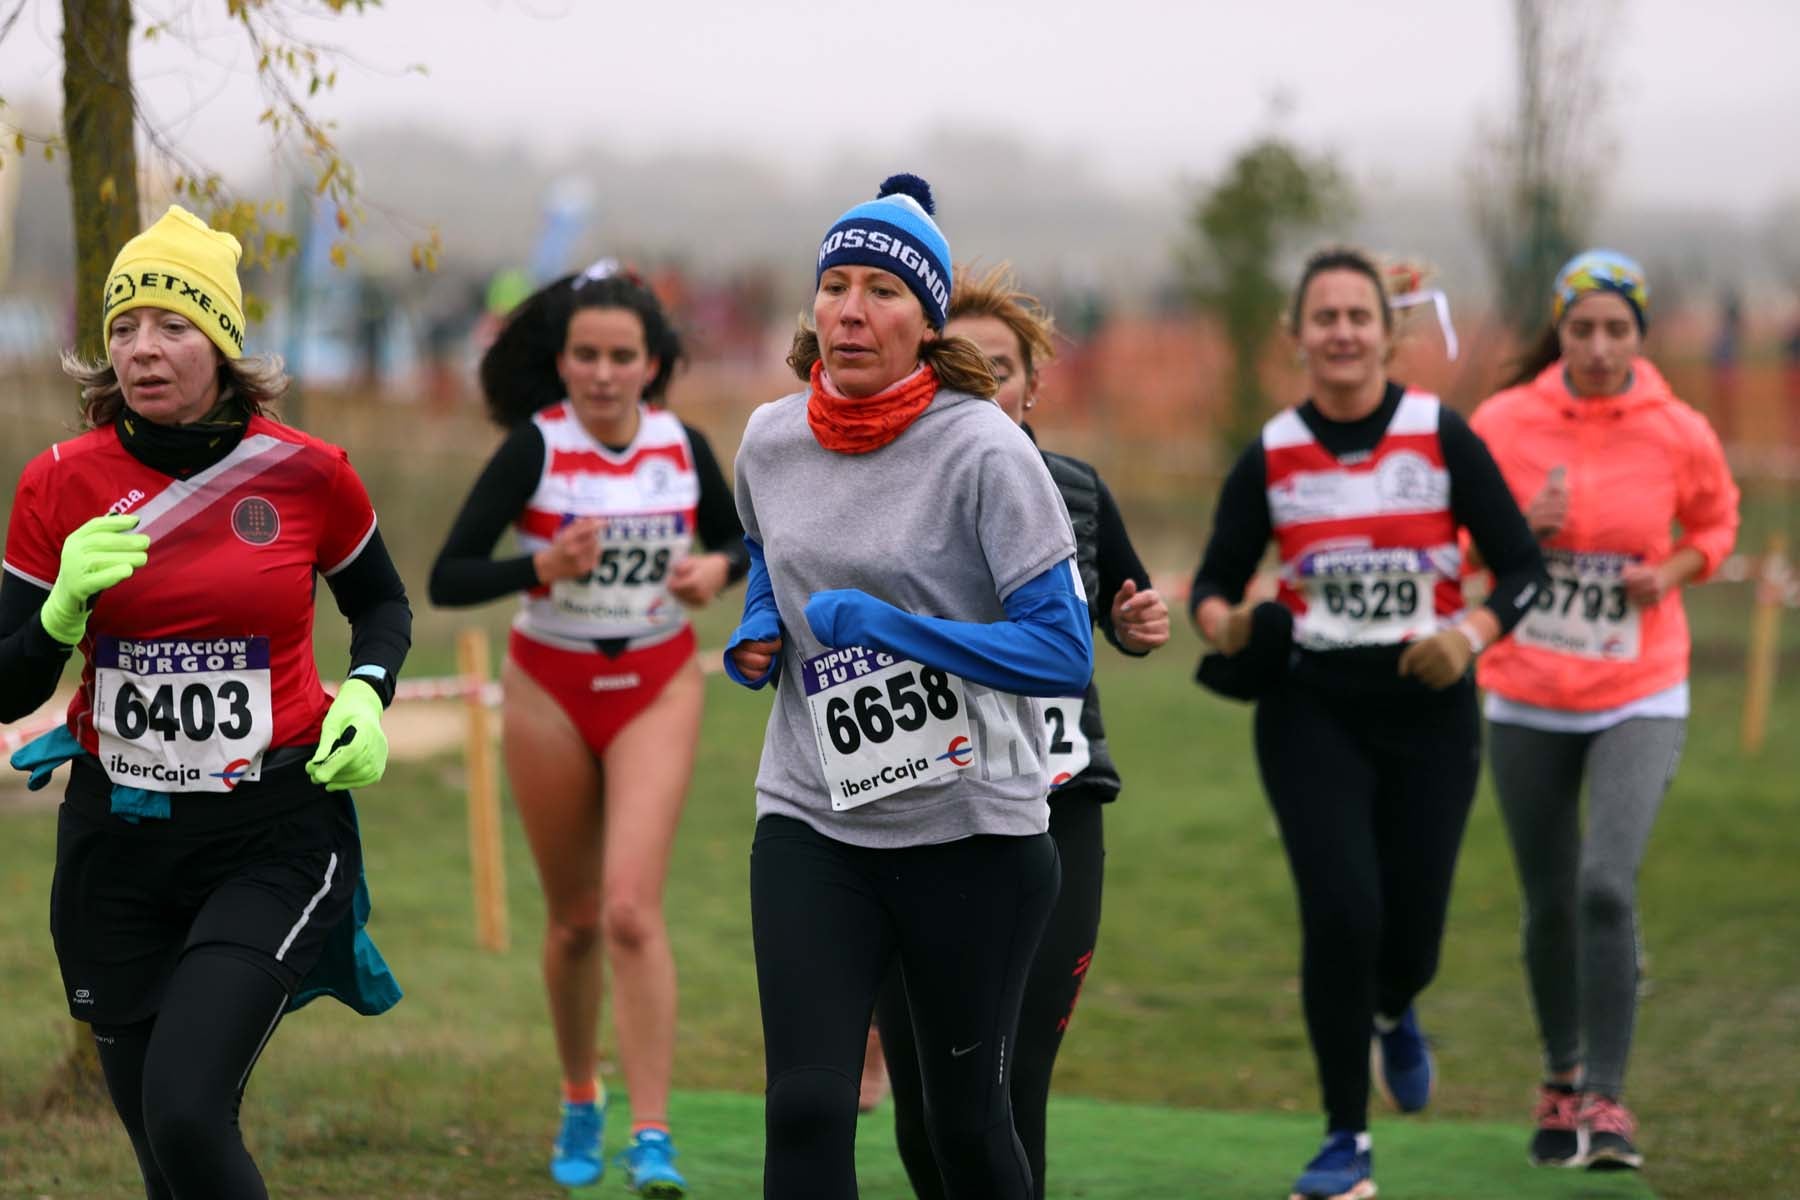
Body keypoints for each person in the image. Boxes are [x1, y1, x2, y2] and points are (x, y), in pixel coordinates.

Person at [0, 205, 409, 1200]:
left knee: (189, 1108)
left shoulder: (309, 474)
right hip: (116, 842)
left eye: (173, 326)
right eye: (125, 326)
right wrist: (59, 614)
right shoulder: (59, 484)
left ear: (222, 344)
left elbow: (383, 605)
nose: (143, 348)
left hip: (270, 832)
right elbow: (6, 682)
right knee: (162, 1150)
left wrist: (367, 690)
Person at [725, 174, 1092, 1200]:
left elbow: (1063, 652)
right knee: (805, 1109)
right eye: (834, 284)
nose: (851, 307)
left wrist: (894, 628)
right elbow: (766, 547)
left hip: (972, 832)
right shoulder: (768, 439)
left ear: (928, 322)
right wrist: (762, 624)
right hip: (812, 818)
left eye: (881, 289)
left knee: (966, 1133)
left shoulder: (986, 450)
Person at [1189, 247, 1547, 1200]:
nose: (1342, 332)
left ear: (1391, 332)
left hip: (1430, 711)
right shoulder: (1272, 450)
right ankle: (1345, 1139)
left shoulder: (1442, 435)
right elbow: (1216, 583)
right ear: (1295, 334)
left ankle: (1396, 1005)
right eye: (1325, 316)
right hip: (1312, 711)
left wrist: (1467, 637)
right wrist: (1225, 625)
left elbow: (1521, 567)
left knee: (1412, 931)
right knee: (1341, 913)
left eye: (1360, 315)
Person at [428, 261, 747, 1196]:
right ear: (560, 362)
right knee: (572, 924)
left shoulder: (682, 445)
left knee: (628, 911)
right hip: (549, 691)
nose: (604, 374)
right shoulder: (536, 447)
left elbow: (739, 542)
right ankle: (580, 1094)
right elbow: (449, 576)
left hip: (654, 681)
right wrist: (542, 567)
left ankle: (653, 1133)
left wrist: (715, 573)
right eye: (586, 356)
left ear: (653, 364)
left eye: (622, 357)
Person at [871, 263, 1169, 1200]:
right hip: (914, 810)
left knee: (1006, 1088)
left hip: (1053, 807)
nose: (981, 384)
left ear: (1032, 386)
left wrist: (1133, 625)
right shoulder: (877, 486)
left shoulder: (1075, 489)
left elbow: (1124, 601)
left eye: (999, 368)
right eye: (960, 364)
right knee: (923, 1103)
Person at [1469, 250, 1739, 1172]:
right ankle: (1559, 1076)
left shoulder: (1678, 428)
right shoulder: (1504, 423)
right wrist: (1521, 534)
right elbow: (1454, 535)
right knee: (1548, 898)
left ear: (1640, 335)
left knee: (1603, 886)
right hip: (1527, 689)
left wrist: (1665, 573)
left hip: (1640, 686)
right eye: (1581, 327)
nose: (1597, 344)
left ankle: (1610, 1100)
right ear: (1561, 330)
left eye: (1615, 328)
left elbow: (1716, 525)